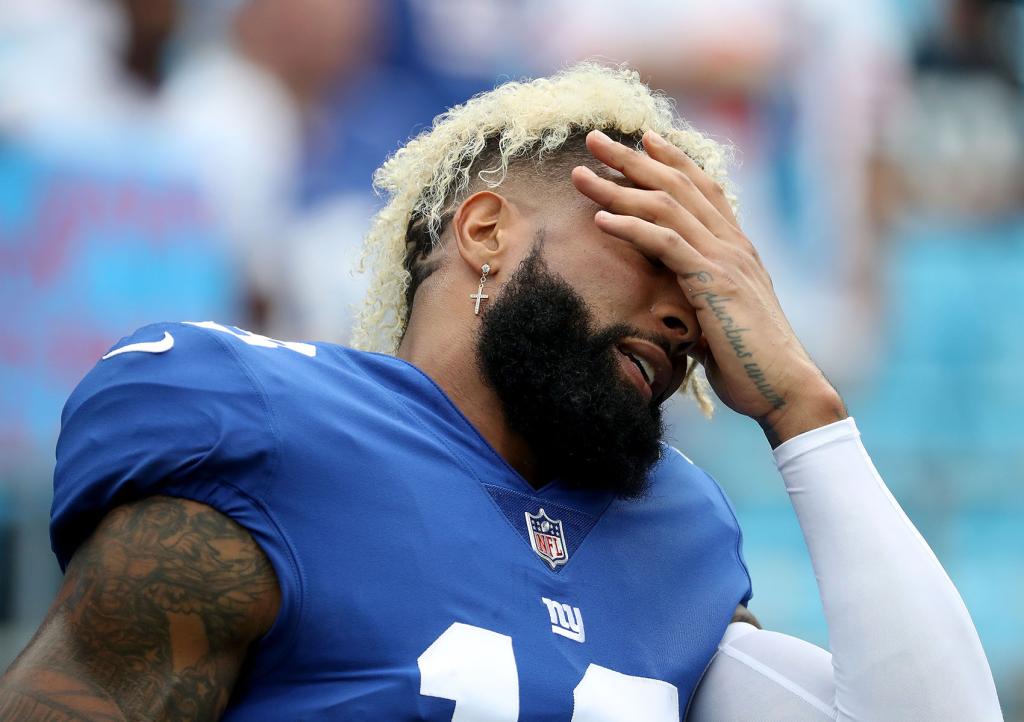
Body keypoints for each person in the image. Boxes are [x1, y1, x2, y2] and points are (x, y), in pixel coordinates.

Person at [0, 63, 1002, 720]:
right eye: (653, 253)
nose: (685, 315)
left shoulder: (675, 538)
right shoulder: (269, 423)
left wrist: (801, 404)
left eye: (708, 288)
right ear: (484, 231)